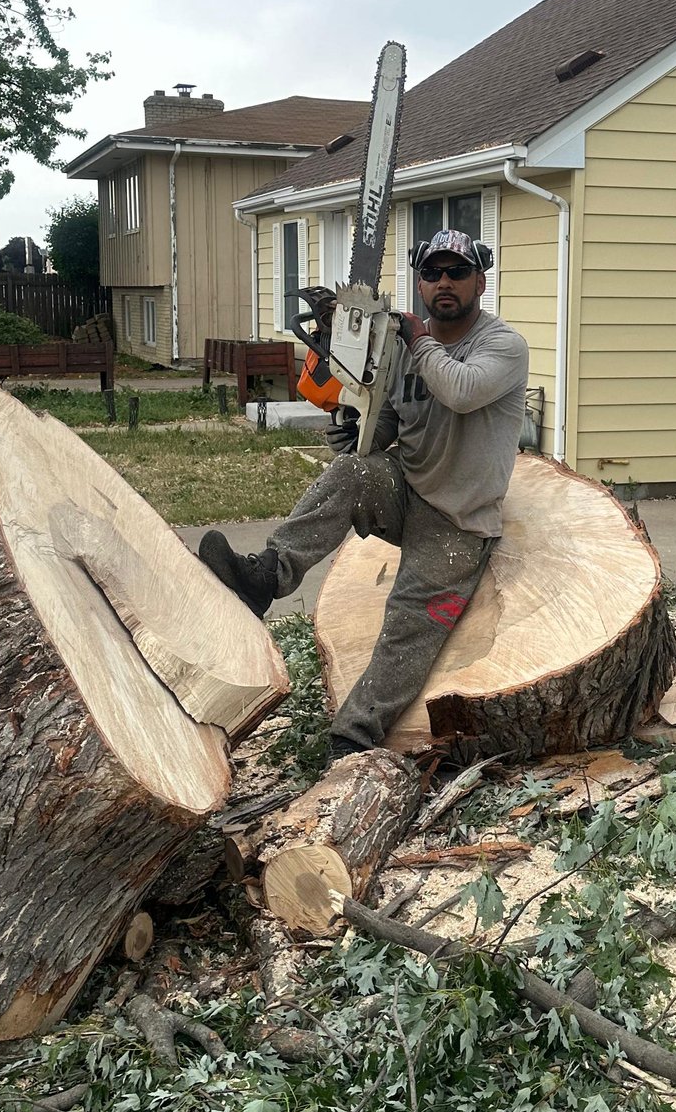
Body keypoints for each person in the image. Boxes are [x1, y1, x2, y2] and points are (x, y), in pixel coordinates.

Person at [198, 229, 529, 755]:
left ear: (480, 282)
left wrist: (415, 337)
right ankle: (265, 577)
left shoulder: (501, 346)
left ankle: (353, 739)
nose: (444, 282)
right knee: (352, 472)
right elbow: (390, 426)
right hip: (408, 492)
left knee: (409, 626)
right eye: (431, 273)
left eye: (456, 272)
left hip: (459, 522)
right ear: (419, 283)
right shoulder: (401, 354)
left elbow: (461, 393)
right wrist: (355, 426)